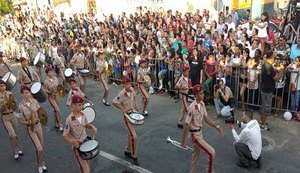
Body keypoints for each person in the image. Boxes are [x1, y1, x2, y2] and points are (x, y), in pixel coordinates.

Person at [181, 84, 223, 173]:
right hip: (194, 135)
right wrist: (183, 141)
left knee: (195, 157)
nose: (203, 95)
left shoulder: (202, 104)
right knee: (212, 153)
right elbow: (186, 125)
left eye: (203, 93)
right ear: (196, 95)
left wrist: (216, 126)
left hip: (200, 133)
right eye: (200, 93)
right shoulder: (191, 108)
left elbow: (206, 119)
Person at [63, 95, 98, 173]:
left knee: (87, 164)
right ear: (73, 105)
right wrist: (72, 141)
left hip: (85, 141)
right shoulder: (69, 119)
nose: (81, 106)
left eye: (82, 104)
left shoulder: (82, 114)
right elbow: (65, 135)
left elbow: (86, 124)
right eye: (79, 105)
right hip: (78, 146)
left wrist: (92, 127)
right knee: (86, 170)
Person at [18, 85, 47, 173]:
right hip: (31, 129)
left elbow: (40, 111)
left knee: (41, 147)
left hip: (38, 126)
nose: (28, 94)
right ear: (22, 94)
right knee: (39, 148)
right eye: (26, 93)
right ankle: (39, 165)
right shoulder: (21, 106)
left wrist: (43, 117)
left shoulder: (34, 101)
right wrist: (28, 122)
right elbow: (21, 120)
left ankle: (42, 163)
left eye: (29, 92)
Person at [113, 77, 140, 166]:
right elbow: (114, 102)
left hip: (133, 115)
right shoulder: (121, 93)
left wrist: (135, 106)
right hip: (127, 117)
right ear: (124, 84)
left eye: (129, 83)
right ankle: (134, 155)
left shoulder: (132, 90)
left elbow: (134, 98)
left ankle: (127, 150)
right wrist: (123, 109)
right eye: (126, 84)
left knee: (130, 134)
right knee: (134, 136)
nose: (128, 85)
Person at [260, 50, 284, 131]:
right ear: (271, 57)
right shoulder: (268, 66)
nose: (275, 58)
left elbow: (271, 73)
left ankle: (263, 122)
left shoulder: (266, 64)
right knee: (266, 109)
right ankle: (262, 125)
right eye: (274, 57)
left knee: (264, 107)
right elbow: (276, 78)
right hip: (267, 90)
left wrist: (276, 71)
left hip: (265, 89)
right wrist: (281, 71)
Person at [0, 79, 23, 160]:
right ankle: (15, 151)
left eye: (4, 85)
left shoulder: (9, 93)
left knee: (16, 134)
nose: (3, 87)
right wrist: (5, 103)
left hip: (12, 114)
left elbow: (14, 104)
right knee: (12, 134)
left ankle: (18, 148)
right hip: (5, 117)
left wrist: (13, 102)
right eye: (1, 86)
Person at [43, 65, 63, 131]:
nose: (51, 73)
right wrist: (49, 92)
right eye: (49, 72)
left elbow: (58, 86)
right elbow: (44, 90)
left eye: (51, 72)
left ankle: (55, 123)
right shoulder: (46, 81)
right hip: (51, 97)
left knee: (55, 110)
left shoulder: (55, 78)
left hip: (56, 95)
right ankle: (60, 125)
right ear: (47, 74)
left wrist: (60, 91)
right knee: (58, 110)